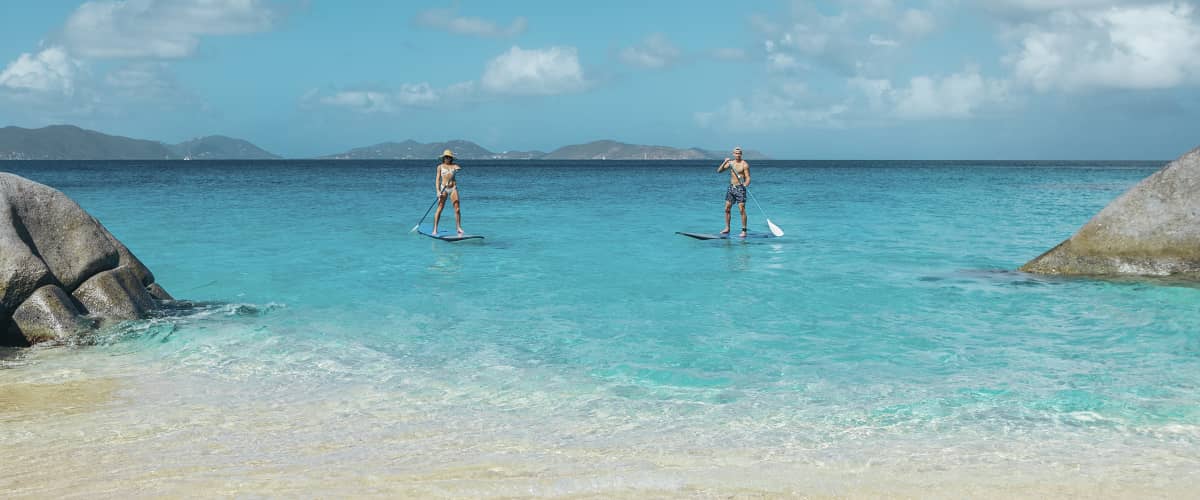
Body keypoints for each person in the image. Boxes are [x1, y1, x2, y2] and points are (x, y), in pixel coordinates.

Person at [716, 146, 751, 237]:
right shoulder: (731, 163)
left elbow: (748, 177)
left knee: (741, 209)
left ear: (741, 154)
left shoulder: (744, 164)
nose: (737, 155)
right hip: (731, 188)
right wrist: (724, 162)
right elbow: (719, 171)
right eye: (736, 153)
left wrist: (746, 184)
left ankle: (744, 231)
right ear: (733, 154)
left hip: (740, 188)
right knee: (727, 209)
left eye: (739, 153)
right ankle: (727, 228)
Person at [432, 149, 464, 236]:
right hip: (443, 189)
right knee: (440, 208)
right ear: (443, 158)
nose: (447, 158)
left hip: (453, 188)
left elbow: (459, 168)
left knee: (457, 209)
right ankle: (435, 229)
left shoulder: (454, 166)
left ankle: (458, 227)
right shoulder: (440, 167)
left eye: (449, 157)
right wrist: (438, 191)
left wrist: (457, 169)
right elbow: (437, 179)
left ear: (451, 158)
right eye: (446, 157)